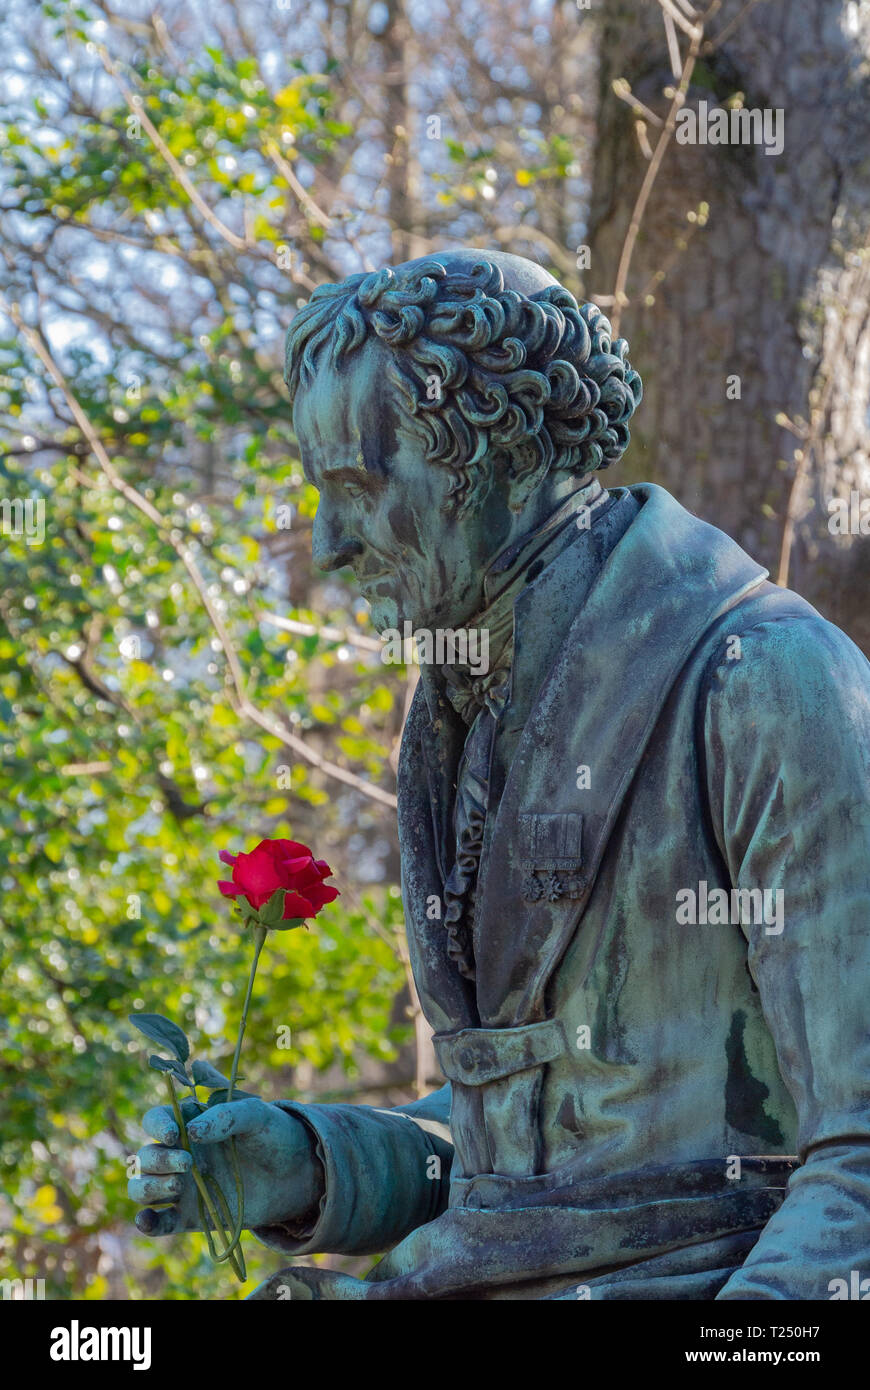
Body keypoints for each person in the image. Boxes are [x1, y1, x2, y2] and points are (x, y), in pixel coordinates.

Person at [130, 250, 870, 1299]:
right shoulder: (459, 711)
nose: (331, 545)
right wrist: (319, 1160)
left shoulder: (766, 684)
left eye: (357, 487)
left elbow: (861, 1169)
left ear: (503, 456)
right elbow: (525, 1144)